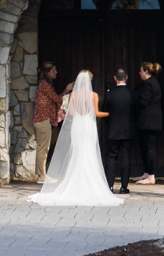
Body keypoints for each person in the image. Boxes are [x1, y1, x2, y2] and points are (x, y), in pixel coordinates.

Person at [27, 71, 123, 207]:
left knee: (77, 152)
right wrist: (109, 113)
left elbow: (71, 113)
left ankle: (75, 180)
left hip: (77, 126)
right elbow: (95, 113)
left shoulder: (73, 95)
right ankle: (90, 181)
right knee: (89, 151)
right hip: (88, 126)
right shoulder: (94, 95)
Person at [99, 68, 135, 194]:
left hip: (113, 131)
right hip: (128, 131)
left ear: (115, 78)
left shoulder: (110, 95)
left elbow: (105, 113)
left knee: (111, 158)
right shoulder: (133, 94)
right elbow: (137, 113)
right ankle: (124, 187)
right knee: (126, 158)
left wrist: (110, 125)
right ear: (127, 77)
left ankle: (109, 186)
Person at [132, 62, 163, 186]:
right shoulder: (153, 83)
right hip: (151, 119)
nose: (139, 73)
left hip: (148, 120)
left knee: (148, 147)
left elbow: (143, 101)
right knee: (144, 146)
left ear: (146, 72)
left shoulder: (148, 84)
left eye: (141, 71)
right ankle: (147, 172)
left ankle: (151, 175)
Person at [32, 64, 62, 182]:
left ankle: (42, 173)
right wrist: (67, 90)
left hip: (44, 120)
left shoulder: (45, 85)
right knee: (43, 148)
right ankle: (41, 175)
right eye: (54, 70)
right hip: (42, 120)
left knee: (45, 147)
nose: (56, 72)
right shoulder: (45, 85)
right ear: (48, 72)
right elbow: (57, 99)